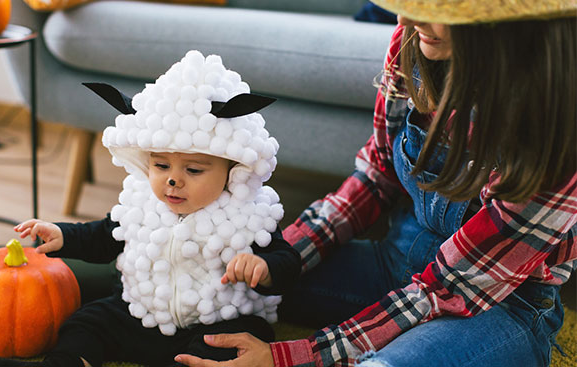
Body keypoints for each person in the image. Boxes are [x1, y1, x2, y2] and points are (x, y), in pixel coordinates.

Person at [173, 1, 577, 366]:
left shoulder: (554, 133)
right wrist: (281, 256)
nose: (407, 18)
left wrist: (287, 358)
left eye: (438, 8)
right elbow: (377, 174)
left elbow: (447, 289)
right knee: (218, 280)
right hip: (397, 263)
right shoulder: (413, 42)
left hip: (497, 309)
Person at [0, 50, 301, 367]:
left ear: (233, 169)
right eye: (161, 165)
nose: (173, 181)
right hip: (141, 313)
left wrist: (263, 269)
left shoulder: (248, 216)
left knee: (233, 343)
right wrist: (63, 235)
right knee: (88, 322)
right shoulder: (141, 206)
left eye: (193, 171)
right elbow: (103, 236)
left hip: (214, 323)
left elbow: (288, 261)